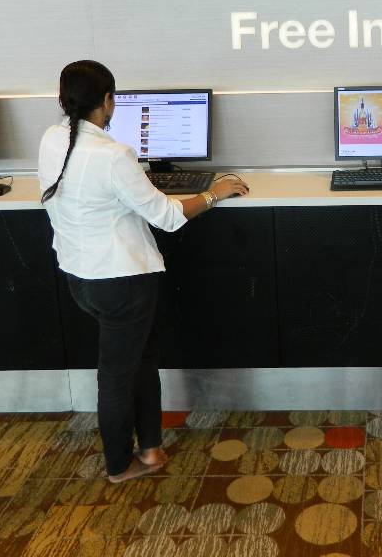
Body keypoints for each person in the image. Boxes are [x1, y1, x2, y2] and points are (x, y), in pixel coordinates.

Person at [38, 60, 248, 483]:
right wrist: (214, 193)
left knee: (141, 358)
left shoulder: (51, 138)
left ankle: (150, 448)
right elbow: (167, 217)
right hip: (121, 282)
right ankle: (119, 464)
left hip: (80, 277)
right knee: (118, 376)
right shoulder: (113, 155)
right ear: (108, 100)